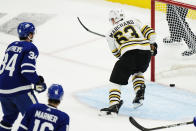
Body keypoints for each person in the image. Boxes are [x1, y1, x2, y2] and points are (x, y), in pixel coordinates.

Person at [99, 9, 157, 116]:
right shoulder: (134, 20)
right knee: (137, 71)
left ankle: (114, 104)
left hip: (129, 55)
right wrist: (153, 45)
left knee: (115, 81)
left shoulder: (109, 33)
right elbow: (151, 34)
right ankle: (139, 91)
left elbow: (117, 54)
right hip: (146, 54)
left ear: (113, 19)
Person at [0, 22, 47, 131]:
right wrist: (37, 82)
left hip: (2, 89)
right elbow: (27, 70)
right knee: (36, 118)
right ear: (30, 35)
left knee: (8, 119)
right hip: (18, 90)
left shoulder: (11, 45)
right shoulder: (30, 47)